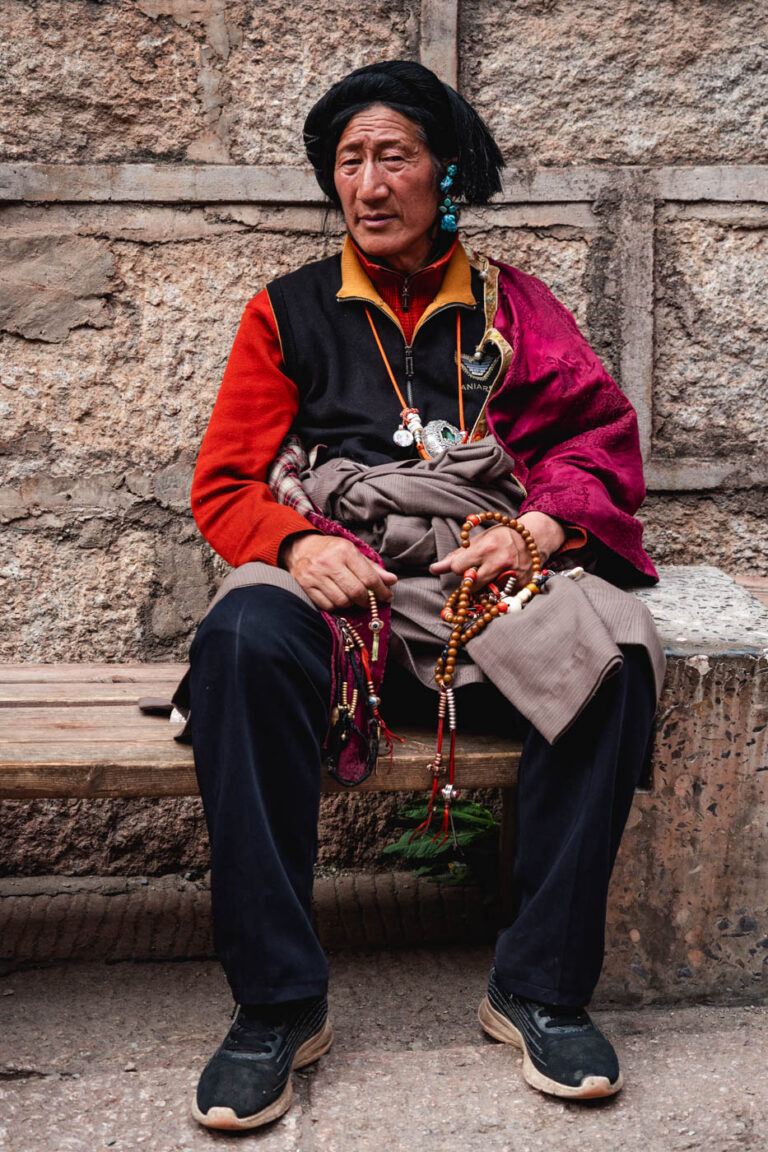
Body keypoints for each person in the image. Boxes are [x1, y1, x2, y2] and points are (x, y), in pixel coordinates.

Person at [184, 61, 664, 1129]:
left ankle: (539, 988)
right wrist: (298, 546)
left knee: (614, 658)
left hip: (472, 588)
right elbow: (223, 486)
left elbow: (594, 444)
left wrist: (535, 528)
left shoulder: (512, 306)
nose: (368, 183)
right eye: (349, 162)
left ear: (446, 173)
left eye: (393, 156)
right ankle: (277, 1006)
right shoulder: (287, 313)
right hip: (336, 595)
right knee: (241, 640)